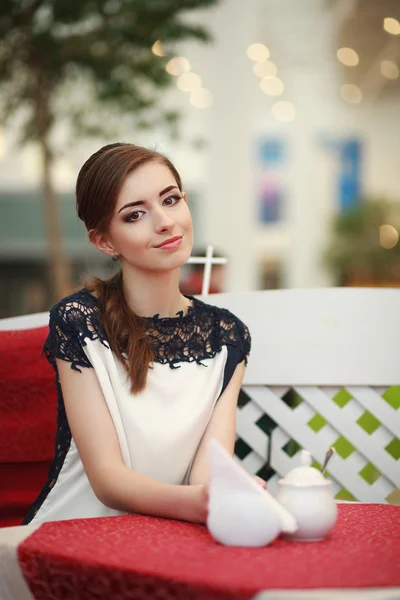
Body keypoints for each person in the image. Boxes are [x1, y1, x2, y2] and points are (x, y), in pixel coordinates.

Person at [23, 142, 254, 526]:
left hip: (175, 534)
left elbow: (209, 472)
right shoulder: (79, 321)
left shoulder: (227, 336)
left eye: (171, 199)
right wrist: (200, 502)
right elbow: (108, 481)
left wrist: (217, 497)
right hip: (75, 529)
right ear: (104, 241)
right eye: (135, 215)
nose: (164, 221)